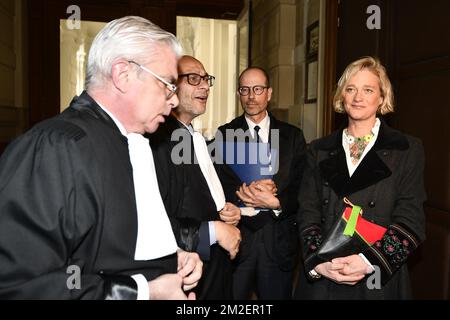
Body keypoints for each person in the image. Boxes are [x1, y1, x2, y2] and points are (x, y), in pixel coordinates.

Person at [0, 16, 202, 300]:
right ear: (123, 74)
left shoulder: (135, 139)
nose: (175, 99)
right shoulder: (56, 148)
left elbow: (114, 247)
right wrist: (145, 292)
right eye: (167, 84)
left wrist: (173, 256)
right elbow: (22, 286)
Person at [294, 56, 426, 299]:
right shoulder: (318, 149)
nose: (358, 97)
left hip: (377, 278)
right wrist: (317, 263)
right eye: (350, 89)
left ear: (382, 97)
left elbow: (412, 220)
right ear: (341, 96)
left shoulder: (406, 149)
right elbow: (307, 213)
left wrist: (367, 261)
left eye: (368, 90)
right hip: (326, 275)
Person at [150, 55, 241, 299]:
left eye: (206, 79)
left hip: (215, 270)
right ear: (171, 85)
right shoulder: (157, 142)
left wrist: (224, 208)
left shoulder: (195, 137)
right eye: (193, 78)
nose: (204, 86)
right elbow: (150, 221)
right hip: (184, 274)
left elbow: (198, 195)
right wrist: (213, 230)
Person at [216, 67, 307, 299]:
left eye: (257, 89)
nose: (251, 96)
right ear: (239, 94)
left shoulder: (293, 136)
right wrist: (254, 193)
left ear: (269, 93)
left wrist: (276, 202)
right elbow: (219, 183)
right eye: (245, 90)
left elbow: (302, 187)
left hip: (279, 241)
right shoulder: (224, 134)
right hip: (239, 239)